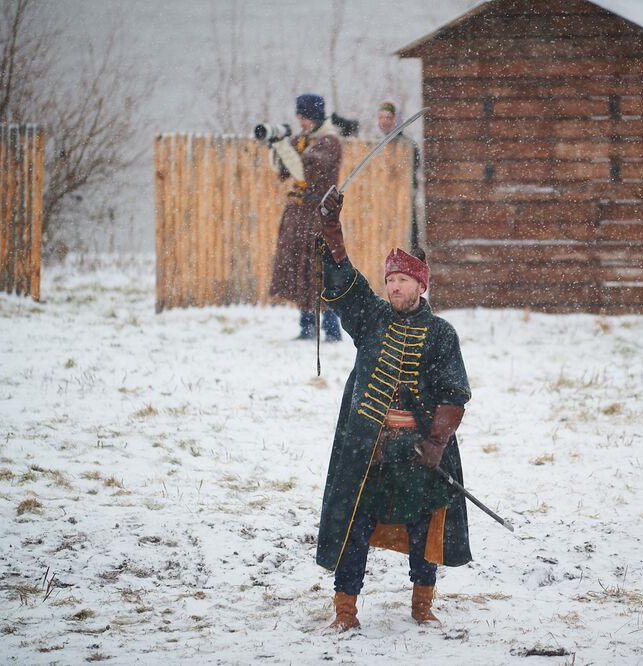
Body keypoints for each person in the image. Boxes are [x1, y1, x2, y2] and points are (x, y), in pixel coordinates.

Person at [314, 188, 472, 632]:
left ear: (421, 285)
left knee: (425, 530)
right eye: (390, 280)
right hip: (372, 450)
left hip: (420, 452)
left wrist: (436, 443)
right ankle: (345, 612)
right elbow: (344, 280)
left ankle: (422, 606)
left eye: (402, 279)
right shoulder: (372, 318)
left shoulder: (442, 334)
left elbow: (454, 395)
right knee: (354, 526)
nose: (394, 286)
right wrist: (331, 227)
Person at [268, 93, 342, 341]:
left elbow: (303, 173)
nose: (301, 122)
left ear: (315, 116)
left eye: (305, 117)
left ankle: (331, 330)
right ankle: (306, 326)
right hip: (298, 214)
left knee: (321, 270)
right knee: (299, 267)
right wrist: (275, 147)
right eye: (299, 116)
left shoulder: (329, 143)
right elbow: (282, 170)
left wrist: (283, 146)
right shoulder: (302, 140)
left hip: (319, 214)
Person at [377, 101, 423, 250]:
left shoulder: (407, 146)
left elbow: (409, 175)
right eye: (381, 118)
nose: (385, 121)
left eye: (388, 117)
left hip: (402, 206)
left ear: (395, 120)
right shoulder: (377, 146)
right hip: (382, 207)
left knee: (407, 246)